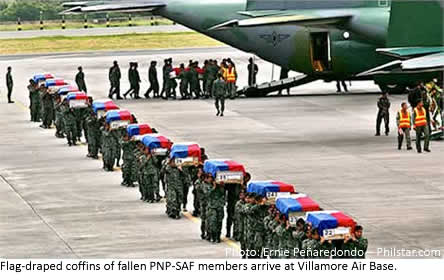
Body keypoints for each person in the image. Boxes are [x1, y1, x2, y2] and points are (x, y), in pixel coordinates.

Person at [207, 175, 225, 243]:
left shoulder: (220, 186)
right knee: (213, 222)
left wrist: (221, 186)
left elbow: (222, 193)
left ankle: (218, 236)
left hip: (220, 206)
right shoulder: (207, 185)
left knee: (219, 221)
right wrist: (214, 187)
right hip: (212, 207)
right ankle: (212, 236)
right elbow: (207, 194)